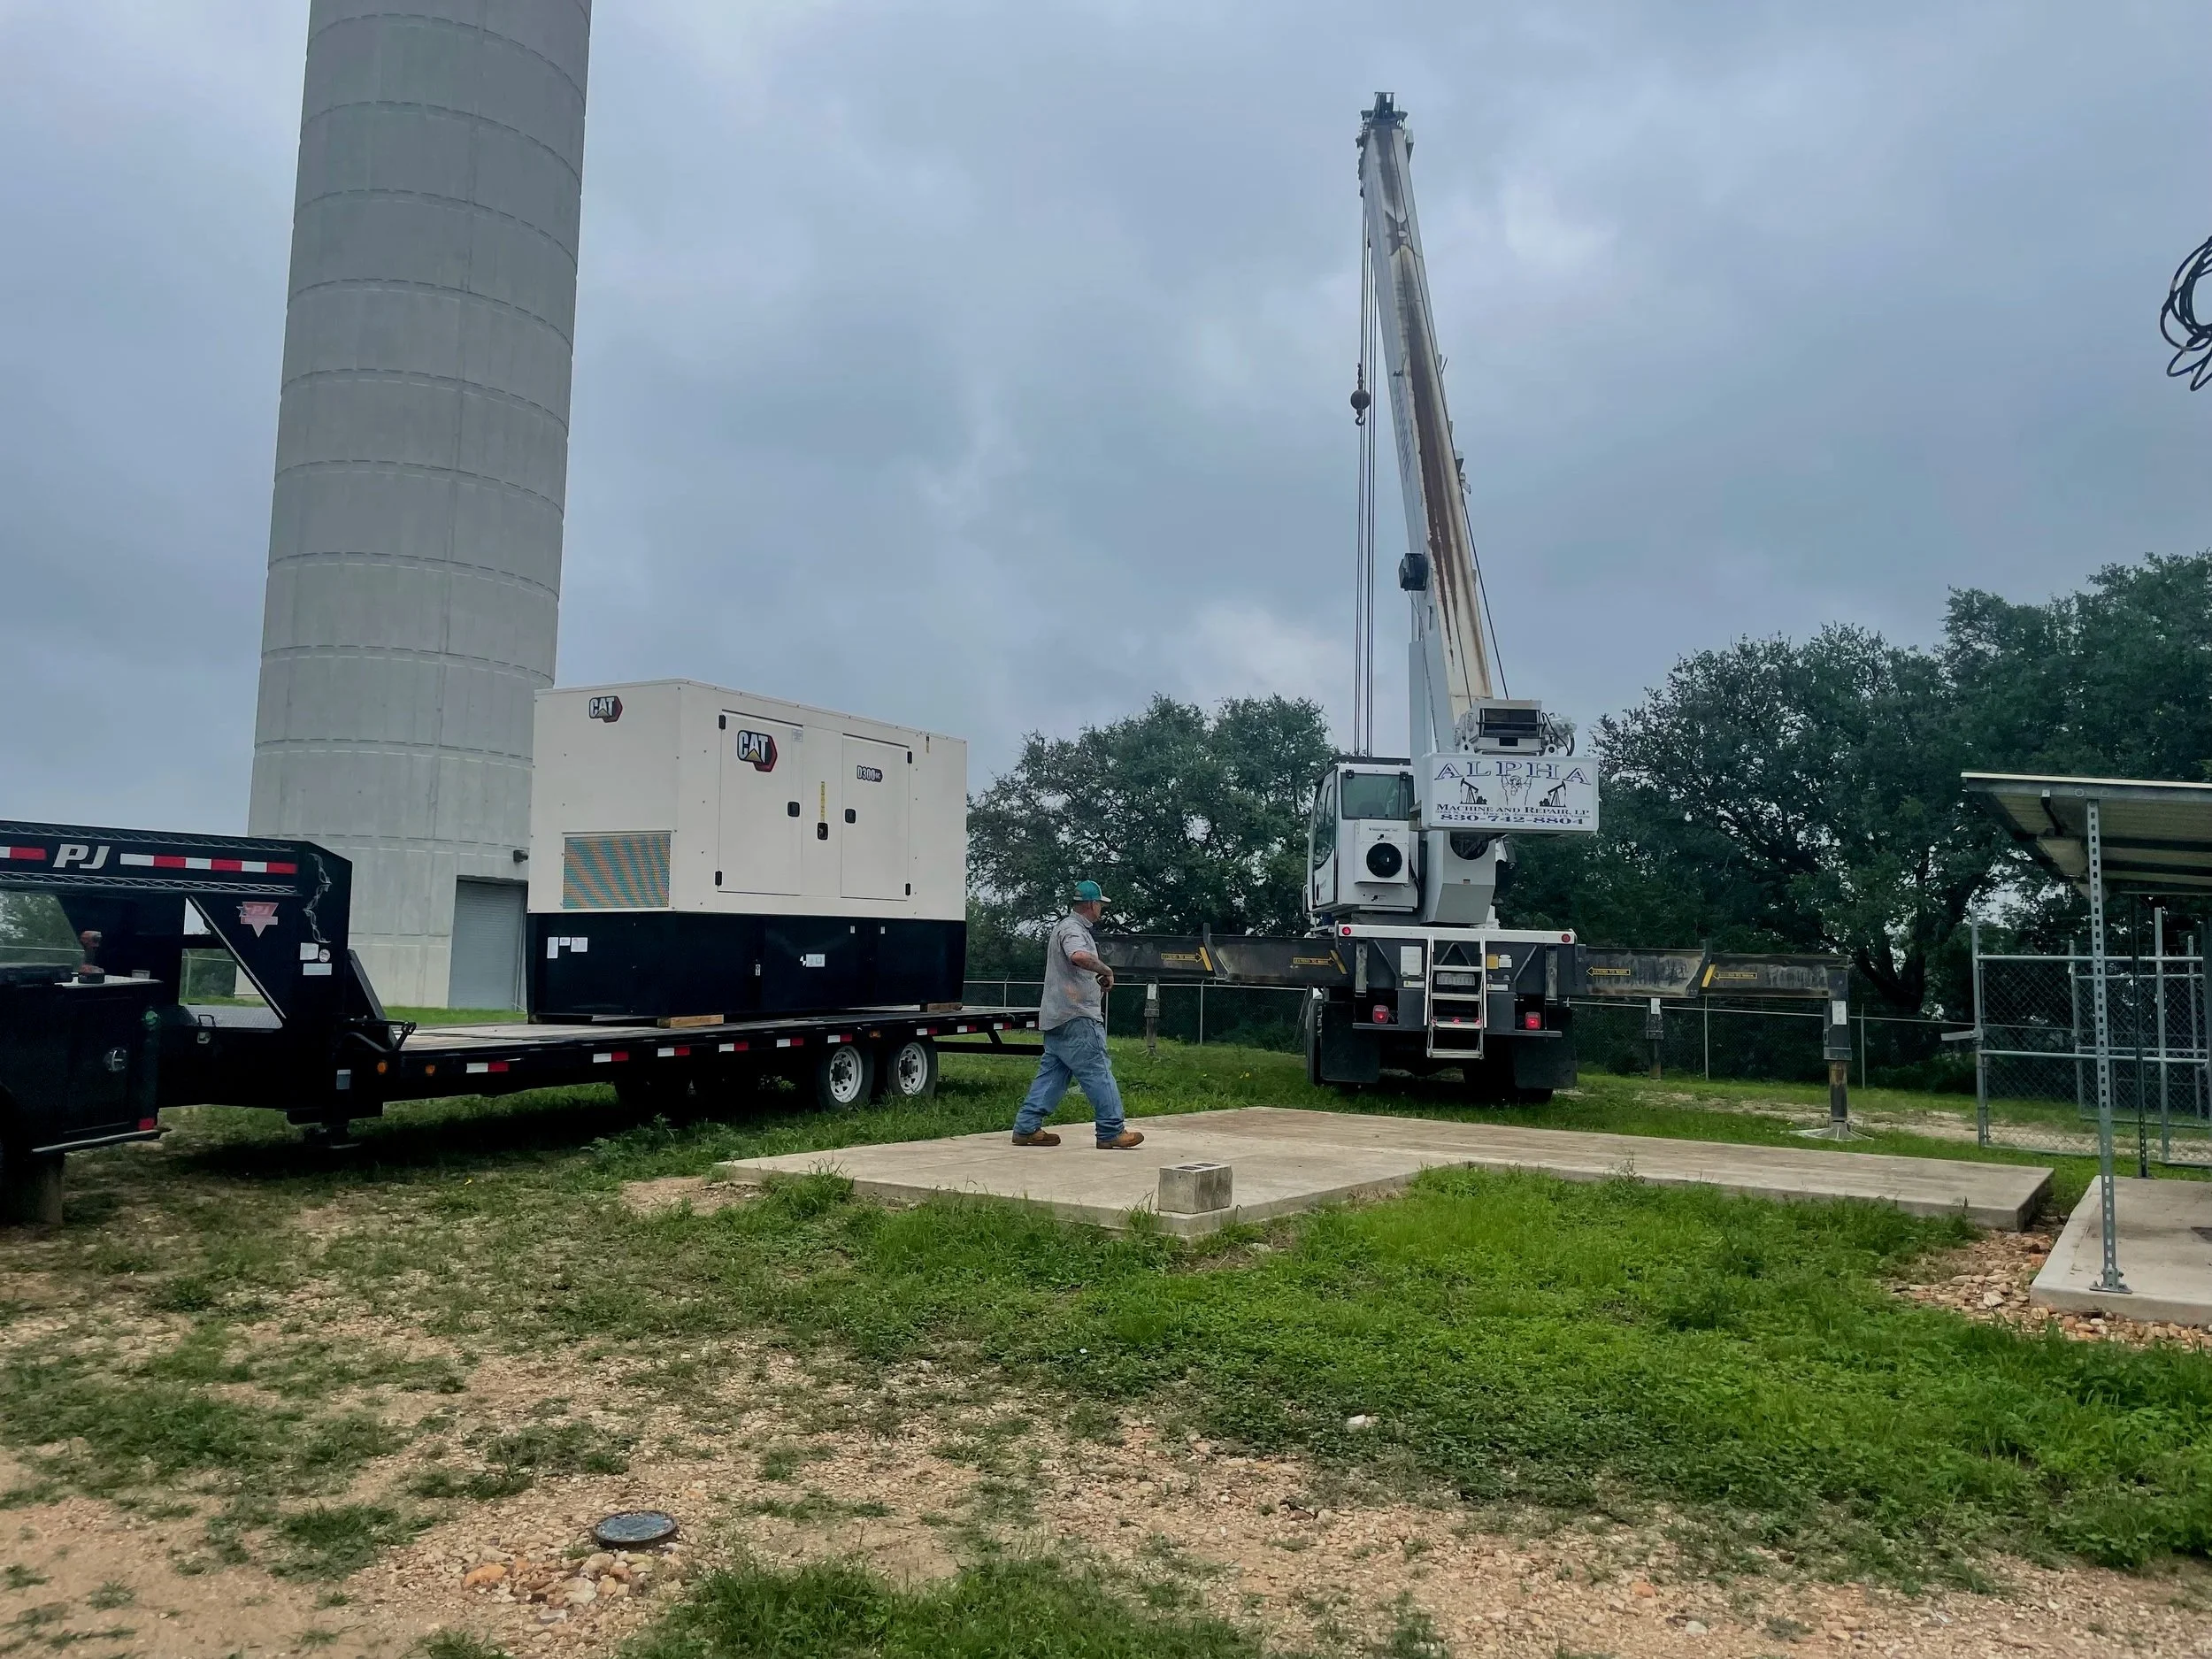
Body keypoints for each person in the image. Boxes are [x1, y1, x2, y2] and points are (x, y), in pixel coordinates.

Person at [1011, 880, 1144, 1149]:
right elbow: (1078, 956)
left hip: (1057, 1015)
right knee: (1098, 1070)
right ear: (1091, 905)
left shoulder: (1064, 927)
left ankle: (1026, 1128)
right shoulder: (1073, 929)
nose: (1102, 910)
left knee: (1053, 1074)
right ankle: (1110, 1131)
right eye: (1101, 905)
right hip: (1078, 1016)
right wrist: (1105, 970)